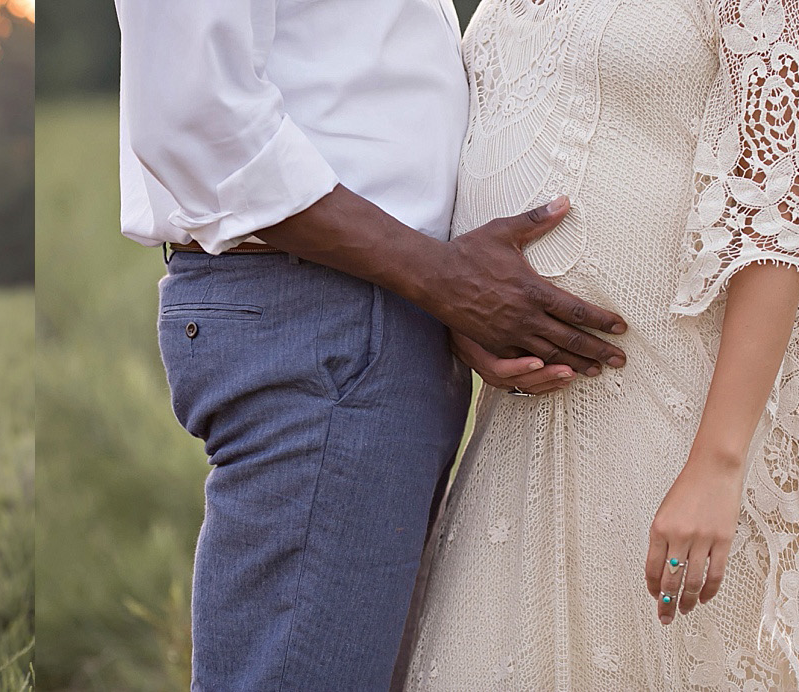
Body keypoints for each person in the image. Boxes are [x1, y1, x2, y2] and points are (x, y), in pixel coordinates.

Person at [116, 1, 631, 688]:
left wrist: (440, 284)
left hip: (368, 305)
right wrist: (443, 279)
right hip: (322, 309)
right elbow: (196, 113)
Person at [400, 0, 799, 689]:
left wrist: (718, 465)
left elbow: (787, 209)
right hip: (522, 440)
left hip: (689, 424)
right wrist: (466, 318)